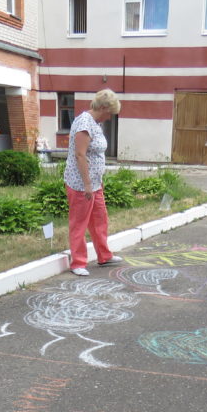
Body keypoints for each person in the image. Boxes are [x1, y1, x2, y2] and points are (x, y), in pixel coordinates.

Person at [64, 89, 124, 276]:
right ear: (103, 107)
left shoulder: (95, 123)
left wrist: (96, 181)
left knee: (99, 219)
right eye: (110, 113)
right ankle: (78, 263)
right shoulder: (84, 123)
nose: (109, 117)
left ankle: (104, 256)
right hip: (81, 184)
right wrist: (87, 184)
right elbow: (80, 155)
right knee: (79, 223)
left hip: (95, 183)